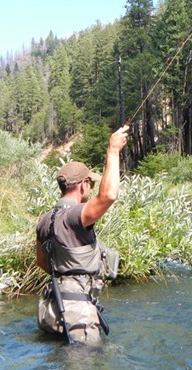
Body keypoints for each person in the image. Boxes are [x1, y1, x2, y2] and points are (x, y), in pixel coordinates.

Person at [36, 125, 129, 342]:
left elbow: (42, 263)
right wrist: (113, 150)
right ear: (84, 185)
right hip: (77, 315)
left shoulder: (44, 220)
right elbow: (108, 196)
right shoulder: (76, 215)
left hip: (51, 309)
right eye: (91, 183)